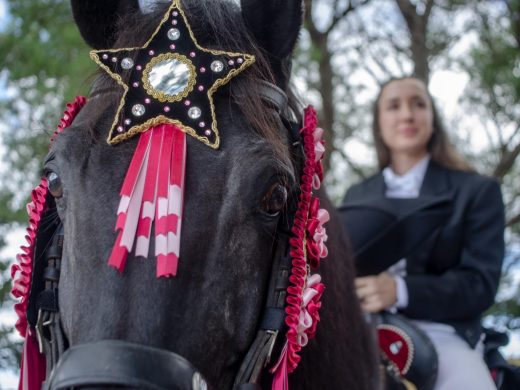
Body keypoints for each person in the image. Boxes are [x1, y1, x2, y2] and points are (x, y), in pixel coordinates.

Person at [341, 76, 505, 389]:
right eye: (394, 106)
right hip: (360, 329)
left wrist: (400, 291)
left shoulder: (477, 191)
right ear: (379, 122)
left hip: (443, 333)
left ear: (433, 119)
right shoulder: (356, 195)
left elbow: (480, 284)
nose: (407, 114)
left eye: (418, 104)